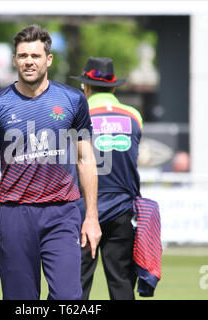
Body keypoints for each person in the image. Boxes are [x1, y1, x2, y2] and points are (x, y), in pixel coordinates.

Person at [0, 25, 101, 300]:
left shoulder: (73, 100)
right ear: (15, 60)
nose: (29, 61)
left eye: (35, 55)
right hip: (15, 215)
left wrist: (91, 217)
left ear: (48, 59)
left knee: (69, 298)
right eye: (23, 55)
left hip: (63, 213)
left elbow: (85, 157)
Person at [71, 57, 143, 300]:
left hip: (83, 209)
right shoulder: (133, 116)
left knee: (76, 286)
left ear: (86, 87)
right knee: (122, 283)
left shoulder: (78, 112)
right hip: (124, 210)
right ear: (113, 87)